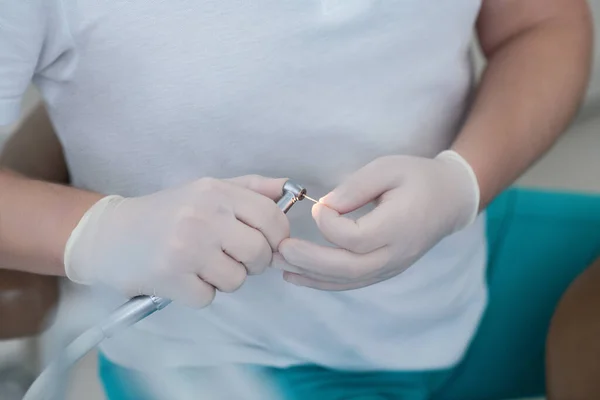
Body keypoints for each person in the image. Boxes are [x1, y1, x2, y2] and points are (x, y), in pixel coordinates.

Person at [0, 1, 592, 399]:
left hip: (467, 274)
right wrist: (100, 232)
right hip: (225, 362)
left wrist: (464, 182)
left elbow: (539, 23)